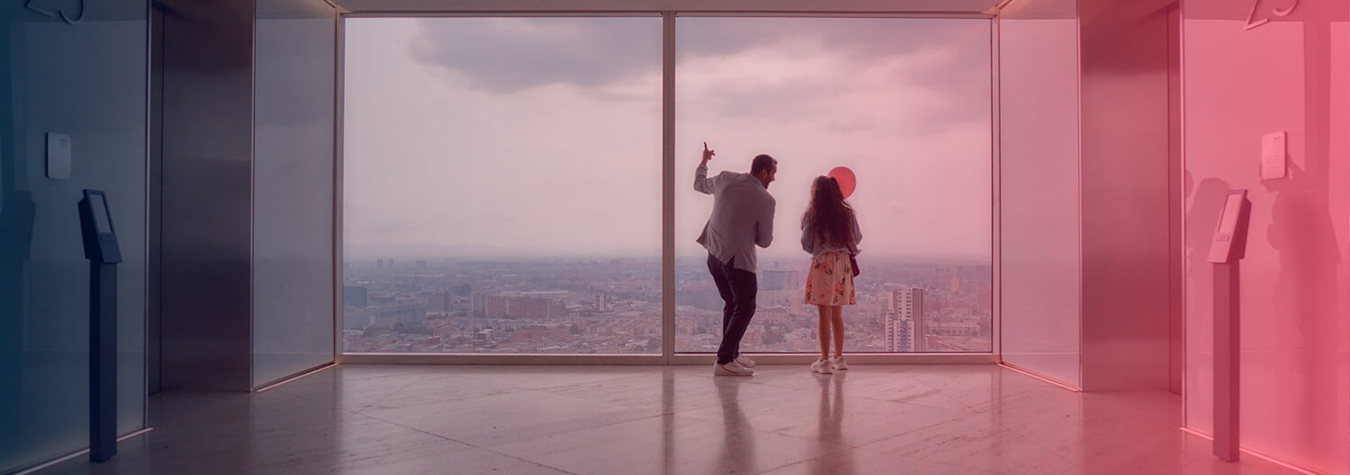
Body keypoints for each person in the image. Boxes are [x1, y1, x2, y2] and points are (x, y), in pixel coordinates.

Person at [695, 142, 777, 376]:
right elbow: (764, 241)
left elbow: (699, 184)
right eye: (772, 173)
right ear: (763, 172)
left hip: (713, 255)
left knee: (732, 305)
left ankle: (732, 354)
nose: (773, 179)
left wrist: (703, 162)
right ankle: (723, 360)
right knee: (745, 307)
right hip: (738, 262)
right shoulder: (766, 200)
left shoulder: (725, 179)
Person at [801, 176, 861, 374]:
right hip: (842, 263)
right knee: (837, 315)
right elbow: (857, 237)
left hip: (823, 262)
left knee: (823, 315)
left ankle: (825, 360)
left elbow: (806, 243)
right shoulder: (847, 213)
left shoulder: (813, 214)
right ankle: (839, 358)